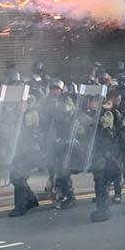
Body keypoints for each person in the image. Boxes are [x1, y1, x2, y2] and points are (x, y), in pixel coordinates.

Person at [40, 80, 77, 209]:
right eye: (52, 89)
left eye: (57, 89)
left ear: (61, 90)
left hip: (63, 139)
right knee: (52, 168)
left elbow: (68, 113)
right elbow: (43, 118)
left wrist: (57, 107)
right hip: (50, 140)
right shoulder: (46, 101)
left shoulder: (66, 100)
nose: (54, 91)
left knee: (63, 170)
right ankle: (58, 193)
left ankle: (70, 196)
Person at [8, 95, 42, 217]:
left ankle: (20, 206)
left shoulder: (31, 114)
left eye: (24, 103)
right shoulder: (19, 114)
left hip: (29, 149)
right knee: (16, 177)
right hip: (19, 149)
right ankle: (31, 199)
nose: (21, 105)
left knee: (18, 176)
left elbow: (26, 129)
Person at [89, 98, 116, 222]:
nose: (91, 104)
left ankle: (103, 210)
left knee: (101, 182)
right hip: (96, 152)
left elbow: (107, 131)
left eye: (93, 101)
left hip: (103, 152)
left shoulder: (106, 114)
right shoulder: (93, 114)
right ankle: (101, 209)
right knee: (98, 181)